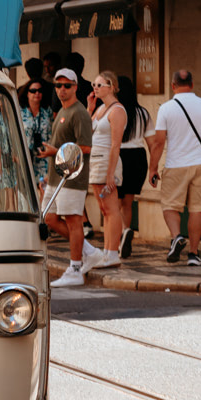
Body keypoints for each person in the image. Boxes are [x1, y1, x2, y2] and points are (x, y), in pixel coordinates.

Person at [147, 68, 201, 266]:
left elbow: (158, 142)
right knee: (197, 209)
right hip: (200, 164)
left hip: (176, 164)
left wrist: (153, 168)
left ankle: (176, 237)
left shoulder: (166, 108)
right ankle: (193, 253)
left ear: (173, 86)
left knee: (170, 205)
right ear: (192, 84)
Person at [37, 68, 93, 286]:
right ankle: (87, 250)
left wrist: (55, 151)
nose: (62, 90)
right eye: (58, 86)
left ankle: (76, 268)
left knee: (73, 221)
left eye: (67, 86)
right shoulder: (61, 111)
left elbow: (86, 147)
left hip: (72, 177)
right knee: (49, 218)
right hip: (55, 176)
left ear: (75, 87)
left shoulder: (79, 112)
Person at [86, 72, 129, 269]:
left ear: (111, 86)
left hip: (106, 160)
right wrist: (90, 108)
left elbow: (115, 144)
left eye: (100, 84)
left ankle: (112, 252)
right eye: (94, 84)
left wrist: (111, 173)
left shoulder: (117, 110)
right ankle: (107, 250)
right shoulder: (100, 108)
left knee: (111, 208)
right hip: (95, 160)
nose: (95, 87)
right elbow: (87, 131)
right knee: (104, 208)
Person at [113, 74, 150, 259]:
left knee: (115, 201)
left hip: (119, 156)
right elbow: (152, 141)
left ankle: (121, 235)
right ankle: (126, 231)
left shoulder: (115, 111)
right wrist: (154, 167)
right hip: (138, 156)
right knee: (128, 202)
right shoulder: (142, 113)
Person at [16, 75, 55, 185]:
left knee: (44, 188)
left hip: (44, 156)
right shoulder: (20, 112)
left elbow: (53, 131)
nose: (37, 93)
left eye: (39, 91)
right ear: (27, 93)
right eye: (33, 91)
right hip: (26, 156)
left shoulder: (47, 111)